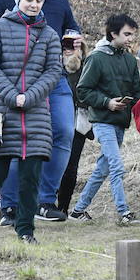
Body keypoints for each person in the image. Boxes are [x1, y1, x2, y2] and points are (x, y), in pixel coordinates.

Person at [0, 0, 81, 224]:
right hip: (10, 84)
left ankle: (44, 199)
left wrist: (74, 43)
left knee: (63, 132)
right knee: (12, 142)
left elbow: (71, 27)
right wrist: (2, 87)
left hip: (53, 79)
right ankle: (10, 205)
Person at [0, 0, 63, 243]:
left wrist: (30, 96)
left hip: (36, 116)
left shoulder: (49, 35)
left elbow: (53, 71)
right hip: (1, 113)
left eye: (39, 0)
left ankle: (25, 231)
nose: (34, 4)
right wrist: (13, 96)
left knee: (30, 180)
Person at [69, 14, 140, 224]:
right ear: (113, 34)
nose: (130, 38)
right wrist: (107, 102)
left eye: (132, 34)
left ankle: (77, 211)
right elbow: (83, 90)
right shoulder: (96, 57)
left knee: (102, 169)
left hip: (121, 122)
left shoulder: (130, 60)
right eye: (127, 34)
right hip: (102, 121)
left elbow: (136, 92)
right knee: (117, 166)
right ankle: (124, 213)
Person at [55, 40, 91, 215]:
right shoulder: (53, 67)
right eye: (69, 47)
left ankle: (63, 207)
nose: (73, 51)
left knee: (71, 167)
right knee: (52, 162)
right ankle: (45, 202)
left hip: (78, 123)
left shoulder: (87, 67)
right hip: (54, 121)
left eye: (77, 47)